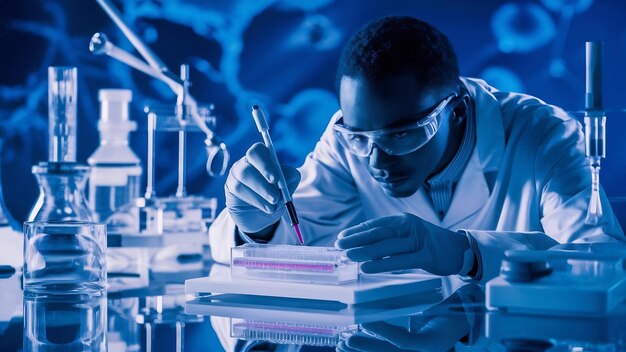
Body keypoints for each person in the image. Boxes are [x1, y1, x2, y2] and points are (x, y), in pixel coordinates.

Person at [209, 16, 625, 282]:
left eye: (402, 134)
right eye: (360, 138)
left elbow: (601, 263)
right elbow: (284, 251)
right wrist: (254, 225)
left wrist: (467, 252)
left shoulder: (542, 134)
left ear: (457, 111)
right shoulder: (346, 144)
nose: (376, 161)